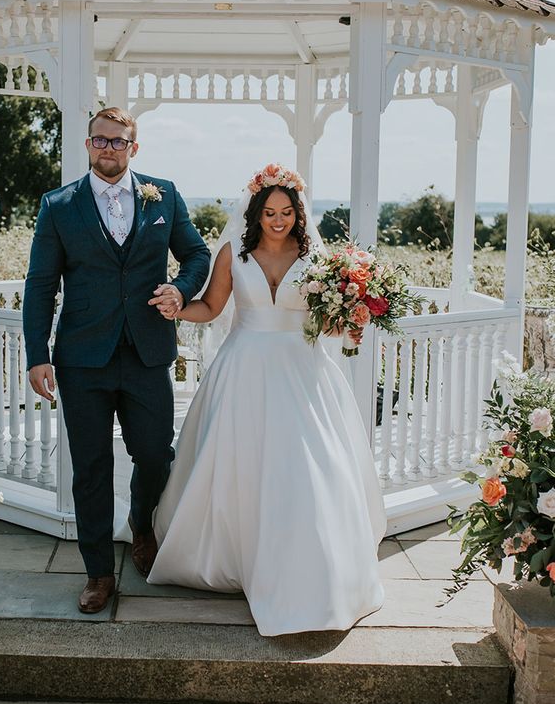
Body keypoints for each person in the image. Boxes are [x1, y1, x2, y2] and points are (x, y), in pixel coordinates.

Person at [148, 164, 386, 637]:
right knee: (244, 464)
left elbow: (331, 324)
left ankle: (312, 572)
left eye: (286, 212)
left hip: (304, 373)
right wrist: (178, 308)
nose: (277, 220)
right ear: (255, 212)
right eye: (269, 212)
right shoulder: (232, 256)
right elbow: (212, 308)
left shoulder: (319, 258)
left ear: (298, 213)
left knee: (309, 469)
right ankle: (240, 556)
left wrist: (354, 320)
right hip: (244, 371)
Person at [23, 107, 210, 614]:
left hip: (147, 352)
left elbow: (197, 255)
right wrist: (37, 355)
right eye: (100, 141)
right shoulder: (59, 205)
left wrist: (181, 287)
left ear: (134, 148)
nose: (109, 149)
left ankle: (143, 524)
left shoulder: (163, 195)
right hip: (83, 358)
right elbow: (41, 284)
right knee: (90, 466)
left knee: (154, 454)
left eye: (119, 142)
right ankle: (99, 572)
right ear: (88, 145)